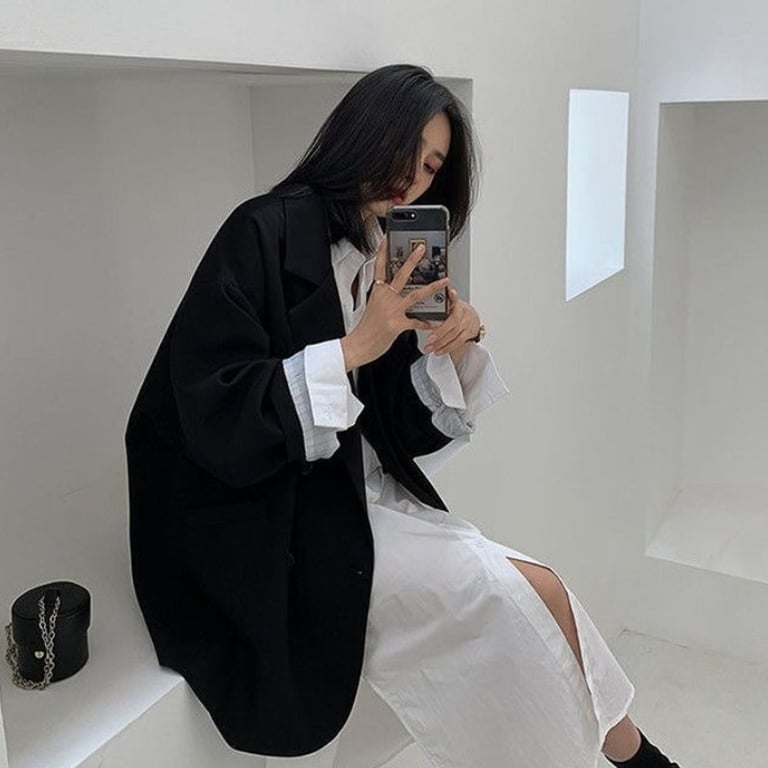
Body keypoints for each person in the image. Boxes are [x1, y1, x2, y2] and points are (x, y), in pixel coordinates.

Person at [125, 64, 682, 768]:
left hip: (351, 497)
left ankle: (635, 759)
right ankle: (639, 761)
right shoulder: (262, 231)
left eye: (431, 167)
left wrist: (450, 346)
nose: (412, 180)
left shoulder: (376, 253)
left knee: (537, 596)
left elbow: (390, 429)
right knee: (522, 594)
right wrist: (357, 344)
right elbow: (210, 409)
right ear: (365, 130)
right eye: (408, 150)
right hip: (263, 519)